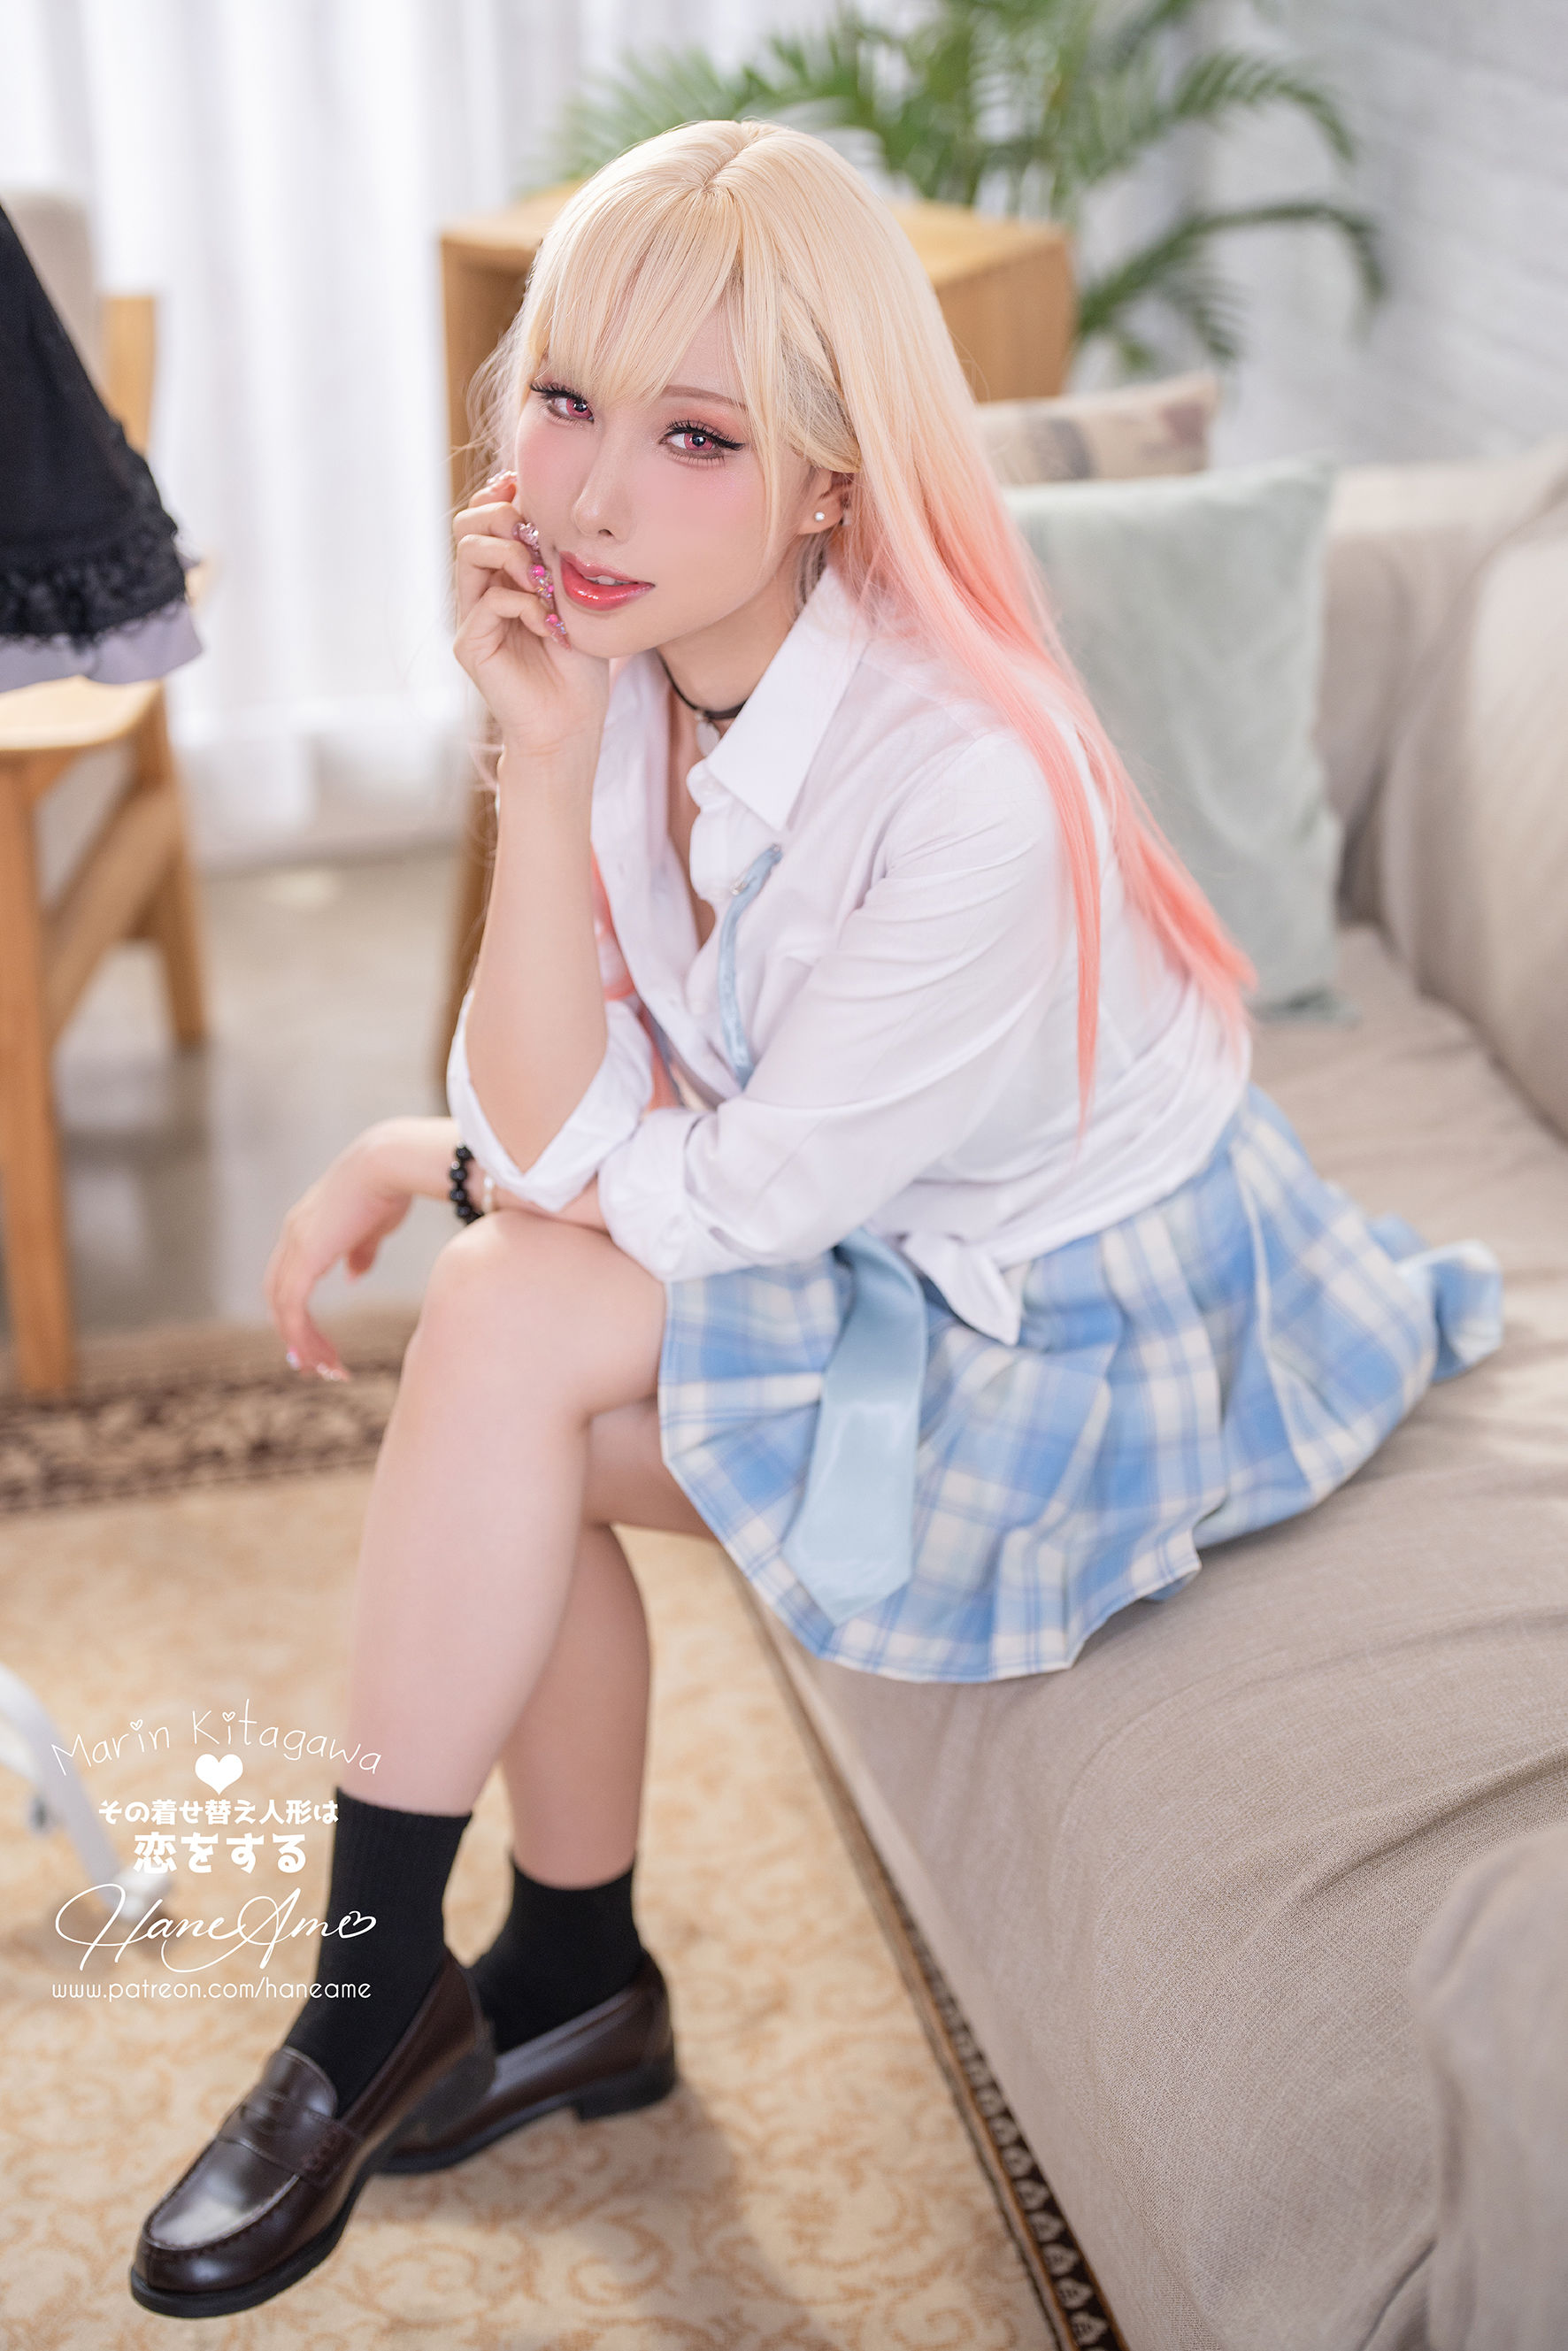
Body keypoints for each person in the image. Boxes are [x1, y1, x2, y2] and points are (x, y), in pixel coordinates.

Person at [129, 120, 1502, 2318]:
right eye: (563, 401)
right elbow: (571, 1110)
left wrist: (443, 1160)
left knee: (499, 1342)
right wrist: (541, 769)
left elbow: (711, 1194)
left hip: (1065, 1319)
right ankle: (542, 1983)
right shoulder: (635, 663)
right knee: (504, 1382)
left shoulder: (964, 779)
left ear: (828, 488)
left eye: (695, 438)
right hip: (860, 1235)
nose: (588, 496)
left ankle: (409, 2001)